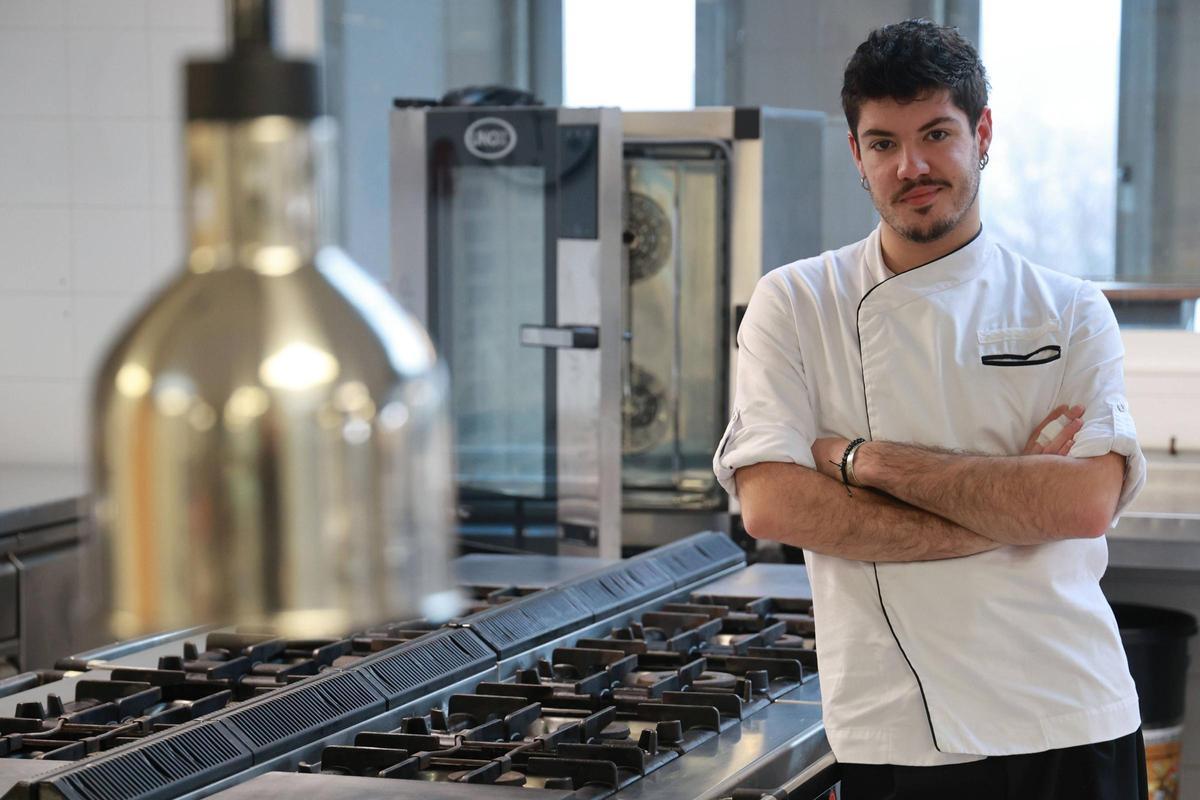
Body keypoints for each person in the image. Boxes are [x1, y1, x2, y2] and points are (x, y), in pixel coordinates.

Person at [713, 18, 1148, 800]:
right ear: (857, 155)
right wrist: (1014, 507)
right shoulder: (798, 303)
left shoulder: (1069, 308)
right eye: (883, 143)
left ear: (982, 135)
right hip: (898, 730)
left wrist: (862, 461)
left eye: (936, 134)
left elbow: (1084, 504)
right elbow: (774, 504)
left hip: (1071, 713)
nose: (910, 166)